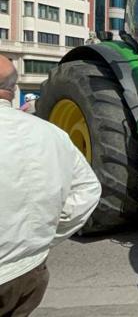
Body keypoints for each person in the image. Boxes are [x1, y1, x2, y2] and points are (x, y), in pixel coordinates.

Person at [0, 54, 101, 316]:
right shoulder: (52, 134)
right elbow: (88, 190)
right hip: (29, 272)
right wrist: (42, 237)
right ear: (12, 89)